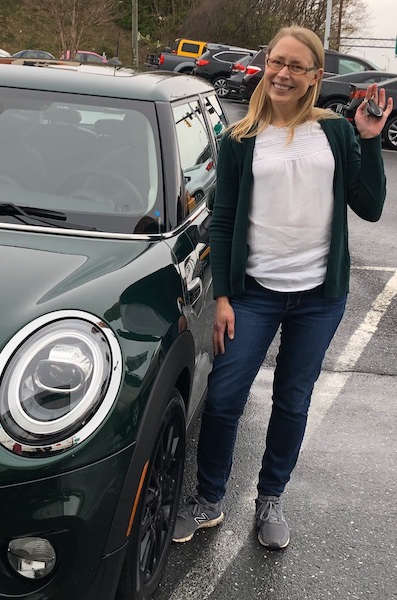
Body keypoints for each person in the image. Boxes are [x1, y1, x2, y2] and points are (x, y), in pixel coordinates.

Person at [173, 25, 392, 550]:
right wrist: (223, 295)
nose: (283, 73)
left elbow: (370, 206)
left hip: (319, 296)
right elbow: (222, 222)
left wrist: (368, 139)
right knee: (225, 399)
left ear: (316, 77)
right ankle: (209, 499)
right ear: (265, 65)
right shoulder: (240, 139)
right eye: (277, 62)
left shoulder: (336, 133)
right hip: (253, 294)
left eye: (297, 66)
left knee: (293, 402)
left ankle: (270, 498)